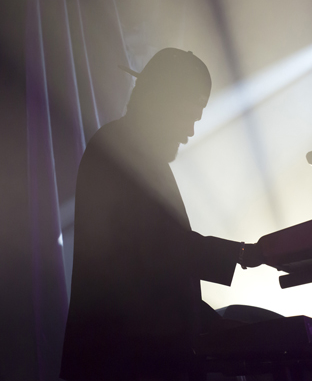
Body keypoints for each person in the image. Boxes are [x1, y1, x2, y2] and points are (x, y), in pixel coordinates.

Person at [60, 48, 264, 381]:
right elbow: (160, 249)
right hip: (121, 362)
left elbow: (161, 280)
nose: (191, 132)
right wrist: (240, 253)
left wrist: (221, 328)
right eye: (189, 116)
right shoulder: (119, 150)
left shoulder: (134, 151)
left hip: (131, 357)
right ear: (163, 102)